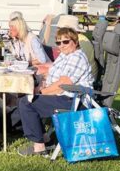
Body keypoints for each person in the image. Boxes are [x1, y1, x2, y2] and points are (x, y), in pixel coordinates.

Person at [17, 27, 93, 157]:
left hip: (74, 101)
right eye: (58, 42)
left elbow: (64, 84)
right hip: (64, 96)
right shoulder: (65, 55)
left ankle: (39, 147)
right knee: (27, 97)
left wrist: (41, 91)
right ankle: (45, 138)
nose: (61, 45)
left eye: (65, 42)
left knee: (27, 103)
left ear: (75, 42)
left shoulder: (77, 57)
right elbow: (51, 71)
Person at [56, 14, 98, 82]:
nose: (57, 31)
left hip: (82, 83)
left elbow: (71, 74)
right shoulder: (79, 39)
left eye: (59, 29)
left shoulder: (79, 42)